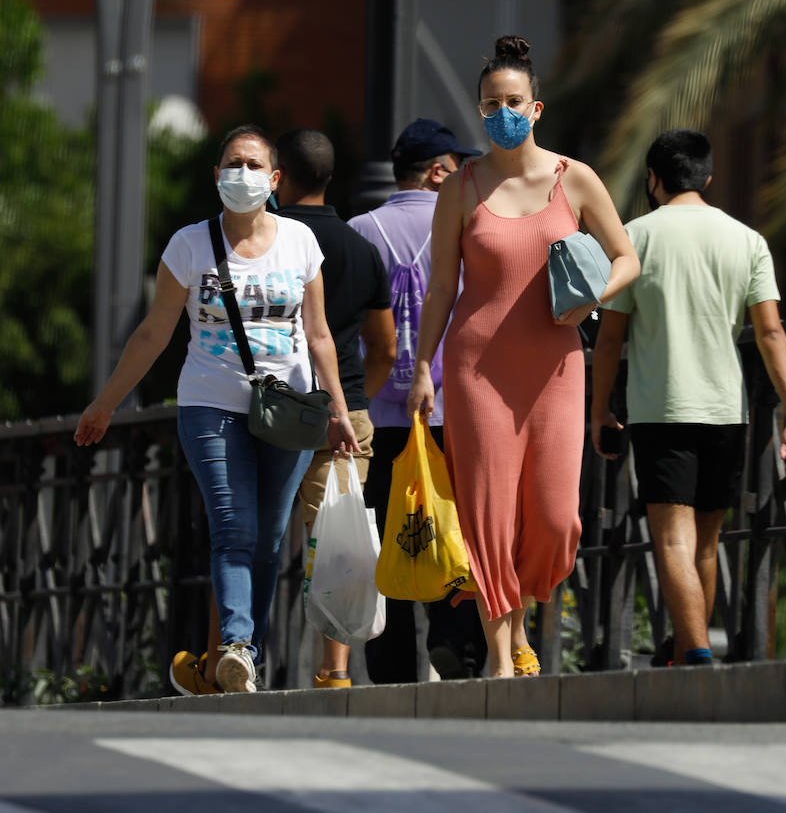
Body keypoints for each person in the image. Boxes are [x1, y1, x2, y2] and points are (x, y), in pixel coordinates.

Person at [75, 124, 360, 694]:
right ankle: (234, 644)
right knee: (234, 528)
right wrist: (104, 404)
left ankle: (245, 656)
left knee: (270, 539)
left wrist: (341, 410)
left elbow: (320, 333)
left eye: (255, 165)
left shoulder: (300, 242)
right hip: (210, 403)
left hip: (290, 412)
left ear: (276, 179)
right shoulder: (188, 245)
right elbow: (154, 333)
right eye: (234, 163)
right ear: (216, 175)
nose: (243, 174)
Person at [407, 35, 639, 678]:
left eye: (513, 101)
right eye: (490, 103)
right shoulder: (461, 189)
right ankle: (503, 661)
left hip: (556, 366)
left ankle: (521, 630)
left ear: (536, 108)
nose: (501, 111)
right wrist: (423, 367)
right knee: (488, 517)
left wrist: (590, 297)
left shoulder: (576, 179)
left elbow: (629, 258)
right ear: (480, 111)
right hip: (476, 367)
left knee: (556, 516)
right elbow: (441, 290)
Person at [590, 129, 786, 666]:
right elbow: (771, 333)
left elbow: (611, 336)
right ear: (707, 177)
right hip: (725, 411)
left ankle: (693, 654)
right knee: (706, 545)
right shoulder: (747, 240)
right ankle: (689, 652)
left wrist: (599, 411)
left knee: (671, 541)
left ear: (653, 178)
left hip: (660, 409)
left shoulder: (632, 238)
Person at [348, 118, 489, 683]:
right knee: (450, 531)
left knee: (389, 539)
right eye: (457, 169)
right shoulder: (463, 226)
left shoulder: (358, 230)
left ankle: (391, 671)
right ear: (437, 171)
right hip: (450, 411)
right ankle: (456, 641)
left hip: (377, 414)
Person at [275, 128, 395, 688]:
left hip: (270, 411)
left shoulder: (267, 240)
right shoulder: (361, 250)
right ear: (329, 178)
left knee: (248, 531)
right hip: (343, 416)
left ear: (281, 177)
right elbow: (386, 347)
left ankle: (233, 653)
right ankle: (335, 668)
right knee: (336, 538)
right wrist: (349, 398)